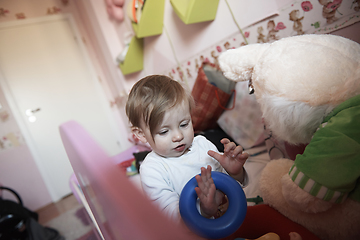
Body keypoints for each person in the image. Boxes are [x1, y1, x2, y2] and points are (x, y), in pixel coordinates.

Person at [125, 75, 249, 222]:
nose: (178, 136)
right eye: (164, 132)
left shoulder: (203, 144)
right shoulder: (152, 170)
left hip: (230, 223)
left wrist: (235, 173)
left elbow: (231, 188)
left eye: (184, 124)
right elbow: (169, 217)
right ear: (141, 134)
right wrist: (203, 210)